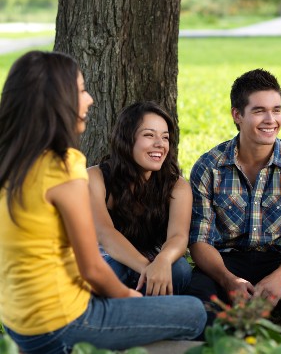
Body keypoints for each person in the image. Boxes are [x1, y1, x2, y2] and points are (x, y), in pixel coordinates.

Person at [0, 51, 206, 354]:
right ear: (58, 100)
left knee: (178, 274)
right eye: (81, 90)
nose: (90, 99)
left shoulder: (11, 162)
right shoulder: (63, 166)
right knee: (194, 312)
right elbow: (93, 268)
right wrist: (127, 298)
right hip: (60, 324)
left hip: (17, 322)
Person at [188, 68, 281, 344]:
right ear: (237, 115)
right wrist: (230, 281)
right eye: (259, 111)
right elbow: (199, 241)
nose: (271, 120)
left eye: (276, 110)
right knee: (198, 301)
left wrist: (279, 277)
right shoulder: (209, 167)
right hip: (225, 261)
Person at [87, 101, 192, 296]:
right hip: (107, 260)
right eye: (149, 135)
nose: (160, 144)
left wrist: (163, 261)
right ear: (127, 139)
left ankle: (136, 309)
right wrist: (148, 269)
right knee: (110, 272)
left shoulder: (177, 186)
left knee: (180, 270)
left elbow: (178, 236)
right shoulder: (95, 178)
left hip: (151, 260)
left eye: (165, 137)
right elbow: (105, 233)